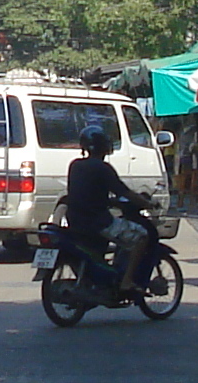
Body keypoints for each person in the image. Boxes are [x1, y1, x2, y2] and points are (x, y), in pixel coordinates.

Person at [61, 115, 145, 293]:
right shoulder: (103, 168)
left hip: (75, 220)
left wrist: (112, 201)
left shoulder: (75, 165)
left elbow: (88, 193)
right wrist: (147, 203)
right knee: (141, 237)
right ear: (104, 146)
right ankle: (127, 282)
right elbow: (125, 192)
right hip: (98, 222)